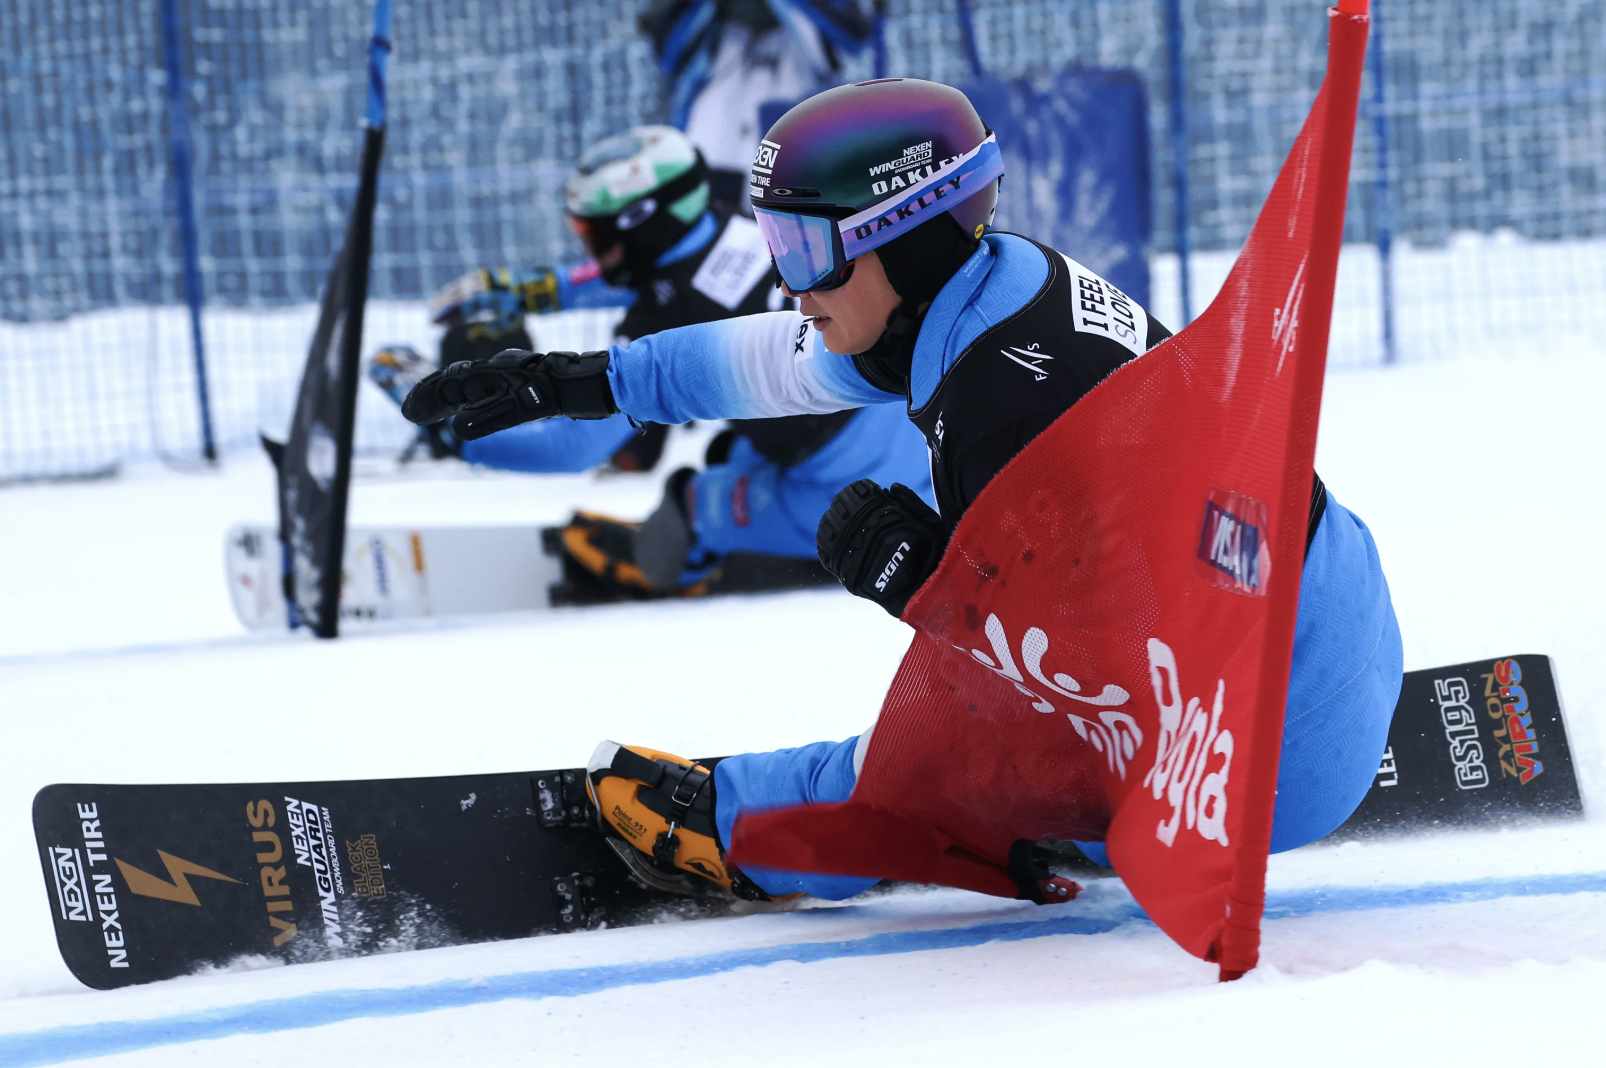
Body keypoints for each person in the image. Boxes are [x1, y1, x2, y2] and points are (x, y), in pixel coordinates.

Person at [401, 79, 1405, 901]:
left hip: (1256, 762)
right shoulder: (984, 289)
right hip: (1333, 614)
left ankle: (735, 826)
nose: (793, 287)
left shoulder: (1006, 408)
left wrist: (928, 585)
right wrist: (583, 382)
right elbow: (768, 362)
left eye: (805, 252)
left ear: (907, 236)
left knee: (938, 764)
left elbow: (1088, 685)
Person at [370, 123, 933, 599]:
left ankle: (692, 571)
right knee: (729, 451)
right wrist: (541, 291)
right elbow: (669, 274)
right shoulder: (738, 220)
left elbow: (573, 448)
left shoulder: (665, 319)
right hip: (908, 428)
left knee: (689, 512)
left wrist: (459, 436)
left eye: (596, 235)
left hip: (848, 488)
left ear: (642, 219)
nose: (592, 252)